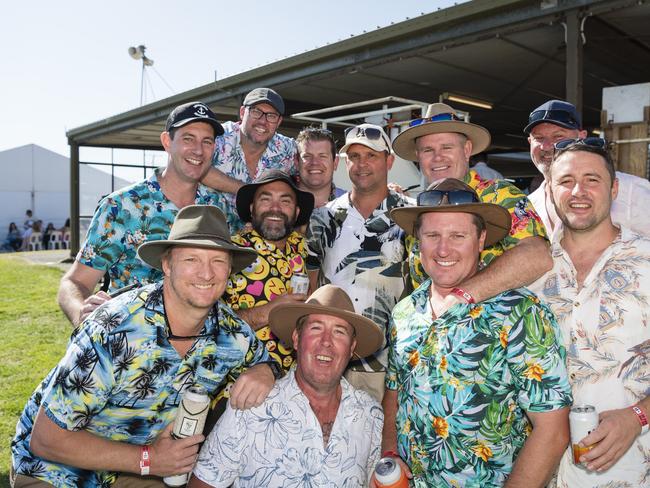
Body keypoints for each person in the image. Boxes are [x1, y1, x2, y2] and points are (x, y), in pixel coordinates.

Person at [10, 205, 282, 488]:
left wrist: (265, 370)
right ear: (167, 265)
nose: (206, 273)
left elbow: (264, 361)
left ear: (229, 270)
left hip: (132, 470)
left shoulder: (231, 333)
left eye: (218, 261)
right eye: (192, 259)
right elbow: (46, 439)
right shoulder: (116, 326)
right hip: (55, 470)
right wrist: (149, 460)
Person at [379, 178, 573, 487]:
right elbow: (394, 390)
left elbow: (552, 430)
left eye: (458, 235)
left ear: (481, 239)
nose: (444, 249)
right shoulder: (404, 312)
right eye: (432, 235)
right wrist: (390, 455)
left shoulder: (520, 311)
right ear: (417, 240)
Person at [528, 139, 650, 487]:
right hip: (545, 473)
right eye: (565, 181)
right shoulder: (529, 272)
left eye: (592, 180)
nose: (578, 191)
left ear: (614, 189)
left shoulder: (647, 261)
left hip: (634, 472)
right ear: (550, 190)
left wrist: (638, 416)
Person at [188, 284, 384, 488]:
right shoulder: (251, 407)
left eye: (339, 332)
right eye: (316, 328)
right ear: (297, 339)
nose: (326, 341)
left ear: (351, 348)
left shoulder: (371, 414)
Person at [57, 101, 225, 327]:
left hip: (201, 345)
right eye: (188, 138)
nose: (198, 150)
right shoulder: (122, 206)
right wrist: (82, 313)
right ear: (167, 141)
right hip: (131, 343)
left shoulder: (217, 207)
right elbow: (75, 281)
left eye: (207, 141)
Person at [391, 102, 550, 316]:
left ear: (466, 150)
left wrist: (461, 296)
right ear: (418, 157)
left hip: (492, 337)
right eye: (428, 150)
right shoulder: (418, 208)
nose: (437, 157)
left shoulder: (499, 196)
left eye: (447, 147)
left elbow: (537, 256)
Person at [306, 123, 414, 401]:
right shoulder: (322, 218)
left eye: (372, 156)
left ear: (389, 160)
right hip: (332, 358)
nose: (361, 164)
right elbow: (312, 283)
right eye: (354, 157)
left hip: (389, 362)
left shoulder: (412, 215)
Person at [211, 170, 314, 420]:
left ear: (296, 212)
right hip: (235, 394)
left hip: (292, 395)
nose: (275, 208)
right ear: (252, 208)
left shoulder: (303, 251)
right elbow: (205, 325)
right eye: (266, 199)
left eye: (285, 201)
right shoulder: (228, 252)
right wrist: (269, 311)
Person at [525, 99, 650, 237]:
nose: (546, 146)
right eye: (539, 138)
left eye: (558, 136)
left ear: (581, 136)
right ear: (530, 142)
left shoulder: (633, 191)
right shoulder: (529, 205)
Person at [202, 87, 297, 232]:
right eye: (256, 112)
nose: (263, 121)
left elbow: (314, 165)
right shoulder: (218, 137)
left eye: (271, 116)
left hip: (261, 242)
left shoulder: (287, 149)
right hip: (212, 236)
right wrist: (247, 191)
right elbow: (197, 167)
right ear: (242, 113)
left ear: (279, 122)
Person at [295, 126, 345, 208]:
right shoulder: (280, 202)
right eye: (307, 156)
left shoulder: (351, 204)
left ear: (335, 163)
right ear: (296, 162)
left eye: (322, 156)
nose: (315, 162)